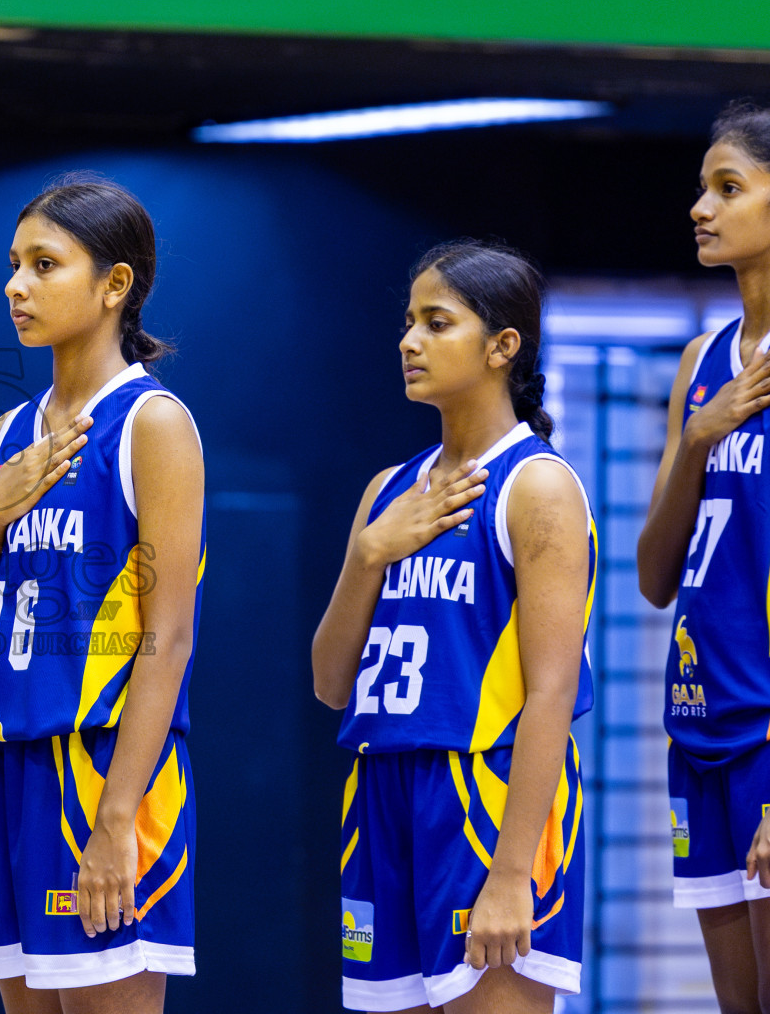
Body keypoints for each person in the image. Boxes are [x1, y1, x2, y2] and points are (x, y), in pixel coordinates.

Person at [0, 177, 204, 1014]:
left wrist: (118, 818)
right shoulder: (7, 435)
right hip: (6, 770)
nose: (16, 285)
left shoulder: (152, 425)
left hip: (100, 774)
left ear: (114, 285)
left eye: (44, 264)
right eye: (13, 265)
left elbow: (169, 641)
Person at [312, 241, 594, 1013]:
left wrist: (510, 874)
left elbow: (552, 695)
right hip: (380, 789)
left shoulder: (535, 486)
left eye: (437, 323)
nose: (409, 341)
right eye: (408, 322)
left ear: (503, 346)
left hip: (486, 792)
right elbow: (330, 682)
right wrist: (368, 554)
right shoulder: (388, 489)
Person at [637, 100, 770, 1014]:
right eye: (701, 188)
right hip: (700, 724)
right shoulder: (703, 360)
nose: (701, 207)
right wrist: (696, 438)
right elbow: (654, 576)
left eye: (729, 188)